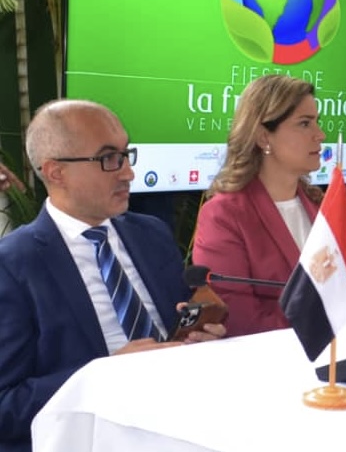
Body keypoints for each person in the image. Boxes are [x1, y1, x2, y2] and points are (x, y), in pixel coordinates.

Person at [0, 100, 226, 452]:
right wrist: (105, 375)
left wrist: (199, 338)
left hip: (184, 418)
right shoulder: (13, 264)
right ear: (56, 172)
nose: (128, 173)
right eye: (109, 159)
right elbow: (6, 405)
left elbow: (177, 331)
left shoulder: (151, 233)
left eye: (126, 154)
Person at [193, 75, 325, 337]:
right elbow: (240, 321)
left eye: (316, 122)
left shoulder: (321, 205)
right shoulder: (224, 215)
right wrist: (327, 328)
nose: (320, 135)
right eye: (304, 123)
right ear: (264, 137)